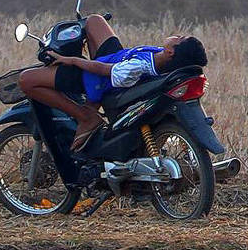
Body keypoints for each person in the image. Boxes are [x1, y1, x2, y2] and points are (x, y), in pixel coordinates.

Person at [17, 14, 208, 150]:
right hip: (115, 59)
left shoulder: (137, 67)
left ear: (171, 52)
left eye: (179, 38)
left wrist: (71, 60)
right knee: (94, 21)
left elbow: (101, 70)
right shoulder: (162, 56)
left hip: (96, 79)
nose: (177, 35)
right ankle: (89, 107)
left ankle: (86, 116)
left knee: (26, 80)